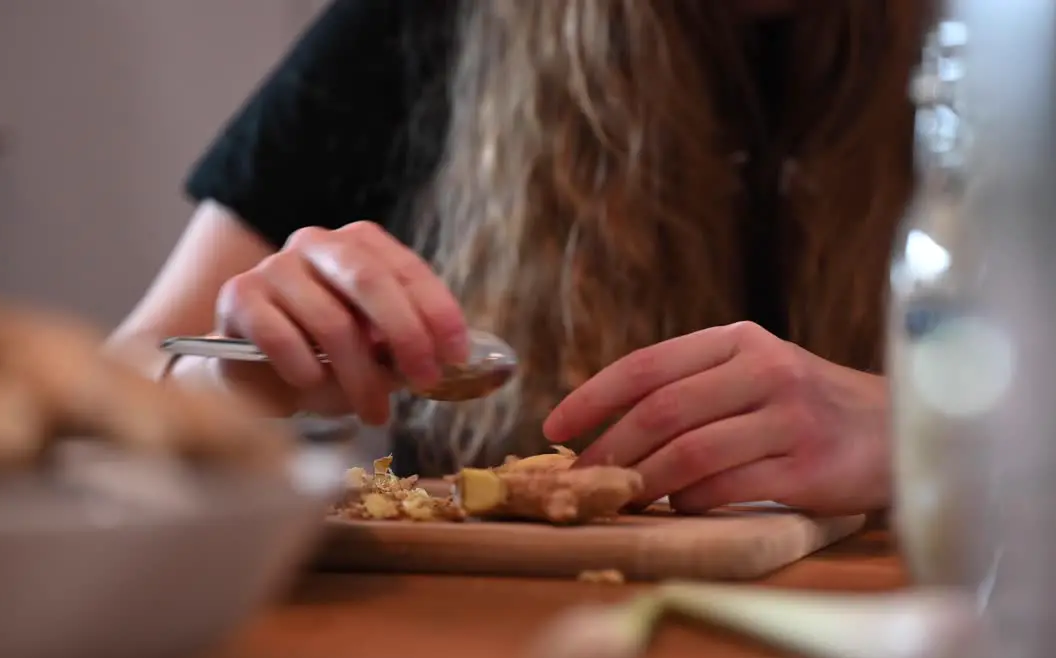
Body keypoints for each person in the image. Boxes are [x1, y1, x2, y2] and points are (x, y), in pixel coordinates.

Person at [107, 0, 931, 516]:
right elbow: (106, 391)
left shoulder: (1030, 48)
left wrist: (933, 435)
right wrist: (233, 377)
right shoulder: (423, 23)